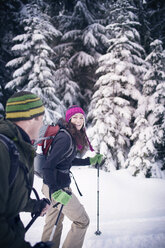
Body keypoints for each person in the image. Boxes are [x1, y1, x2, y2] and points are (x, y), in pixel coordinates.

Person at [41, 105, 103, 248]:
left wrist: (89, 161)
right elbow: (48, 166)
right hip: (56, 188)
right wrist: (56, 191)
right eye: (75, 117)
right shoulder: (65, 138)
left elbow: (67, 160)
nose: (79, 120)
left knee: (53, 224)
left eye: (81, 117)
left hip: (50, 186)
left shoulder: (68, 135)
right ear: (68, 119)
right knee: (82, 221)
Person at [0, 91, 51, 248]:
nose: (42, 125)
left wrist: (35, 206)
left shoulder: (17, 147)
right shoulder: (3, 150)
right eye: (41, 119)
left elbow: (8, 197)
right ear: (32, 118)